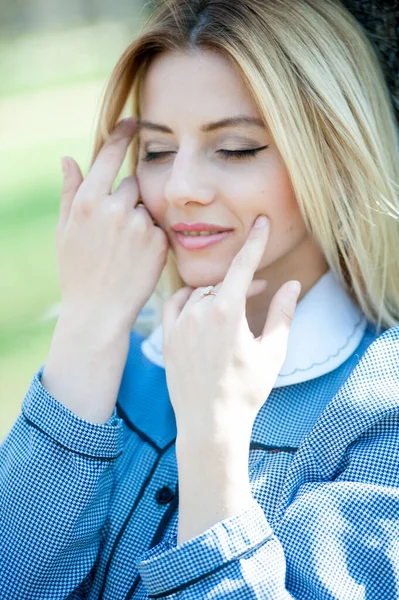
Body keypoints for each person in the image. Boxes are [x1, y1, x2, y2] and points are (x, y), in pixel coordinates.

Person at [1, 0, 398, 597]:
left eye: (235, 148)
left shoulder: (380, 410)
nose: (179, 188)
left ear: (335, 158)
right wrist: (87, 326)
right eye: (157, 152)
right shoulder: (111, 359)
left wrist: (213, 440)